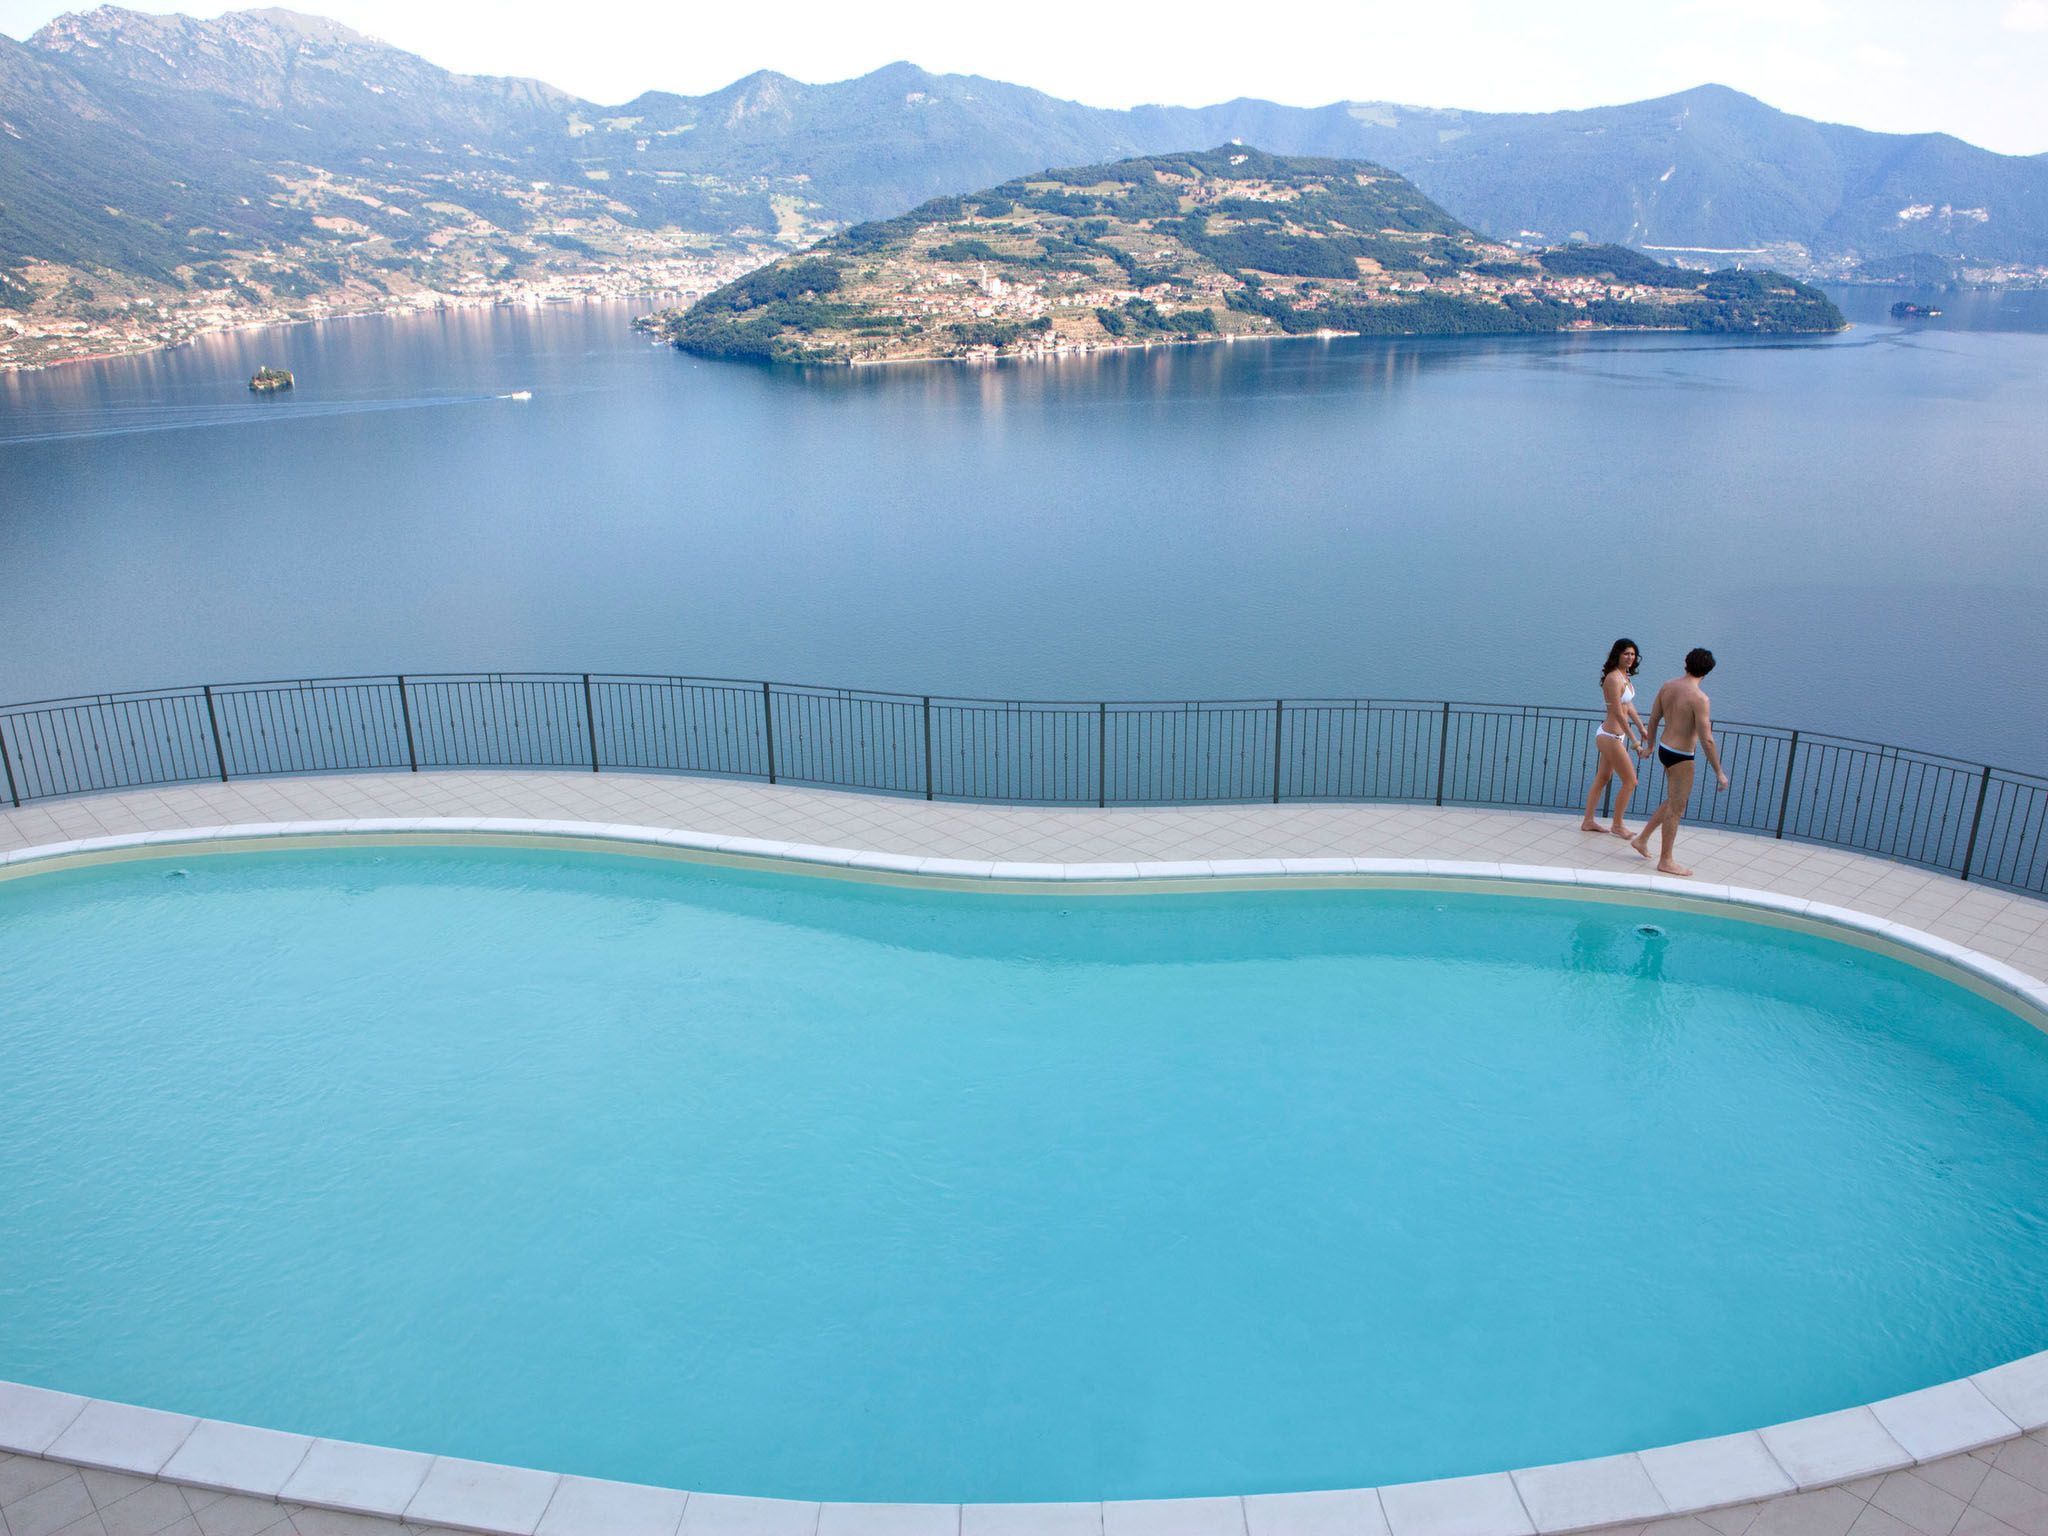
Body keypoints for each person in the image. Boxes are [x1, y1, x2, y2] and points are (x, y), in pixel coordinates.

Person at [1631, 647, 1730, 877]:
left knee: (1673, 800)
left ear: (1687, 663)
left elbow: (1654, 718)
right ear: (1707, 671)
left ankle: (1642, 839)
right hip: (1682, 756)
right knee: (1677, 807)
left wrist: (1650, 746)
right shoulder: (1700, 699)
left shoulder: (1668, 686)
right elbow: (1707, 739)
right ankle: (1666, 860)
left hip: (1665, 749)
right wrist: (1719, 772)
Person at [1580, 638, 1648, 838]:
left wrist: (1641, 727)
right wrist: (1635, 742)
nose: (1630, 657)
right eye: (1626, 653)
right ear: (1617, 654)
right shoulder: (1613, 678)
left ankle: (1588, 821)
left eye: (1633, 654)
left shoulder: (1624, 676)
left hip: (1617, 736)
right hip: (1609, 736)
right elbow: (1618, 713)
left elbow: (1628, 706)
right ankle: (1617, 825)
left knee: (1603, 778)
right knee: (1630, 781)